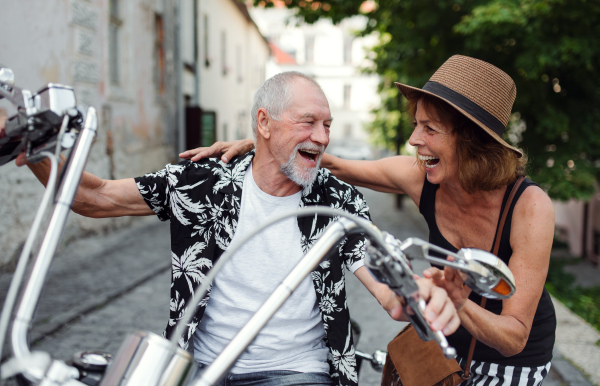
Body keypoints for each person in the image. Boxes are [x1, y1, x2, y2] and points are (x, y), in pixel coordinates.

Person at [14, 71, 459, 386]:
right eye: (308, 122)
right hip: (202, 366)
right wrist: (34, 149)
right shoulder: (204, 181)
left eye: (327, 125)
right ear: (264, 122)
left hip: (297, 371)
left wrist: (416, 299)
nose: (322, 137)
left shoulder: (336, 198)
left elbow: (386, 289)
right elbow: (94, 198)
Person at [181, 56, 557, 385]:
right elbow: (336, 164)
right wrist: (264, 143)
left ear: (472, 140)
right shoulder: (420, 177)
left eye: (429, 129)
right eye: (417, 124)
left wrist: (456, 302)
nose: (414, 139)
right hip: (444, 350)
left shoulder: (529, 207)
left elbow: (515, 336)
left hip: (511, 364)